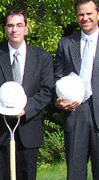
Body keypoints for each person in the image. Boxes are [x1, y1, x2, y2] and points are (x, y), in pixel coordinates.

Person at [0, 10, 53, 180]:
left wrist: (26, 108)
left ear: (26, 29)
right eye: (10, 26)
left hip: (29, 128)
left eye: (19, 25)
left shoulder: (42, 57)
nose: (15, 30)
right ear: (5, 29)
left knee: (27, 176)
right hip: (0, 129)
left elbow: (47, 90)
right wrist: (3, 106)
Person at [55, 0, 99, 179]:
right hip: (75, 113)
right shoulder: (65, 43)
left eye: (89, 13)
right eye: (81, 14)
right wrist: (58, 100)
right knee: (75, 173)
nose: (85, 18)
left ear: (98, 14)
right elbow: (57, 78)